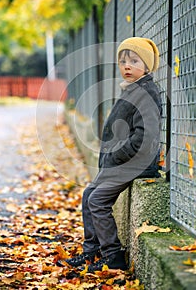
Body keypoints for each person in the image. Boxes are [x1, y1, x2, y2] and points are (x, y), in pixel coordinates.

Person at [57, 37, 162, 272]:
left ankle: (112, 255)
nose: (126, 65)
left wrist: (115, 155)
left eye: (134, 61)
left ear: (146, 66)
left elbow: (144, 139)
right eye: (123, 60)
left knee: (98, 200)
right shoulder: (133, 89)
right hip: (123, 162)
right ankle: (91, 251)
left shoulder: (147, 93)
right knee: (88, 195)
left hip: (135, 163)